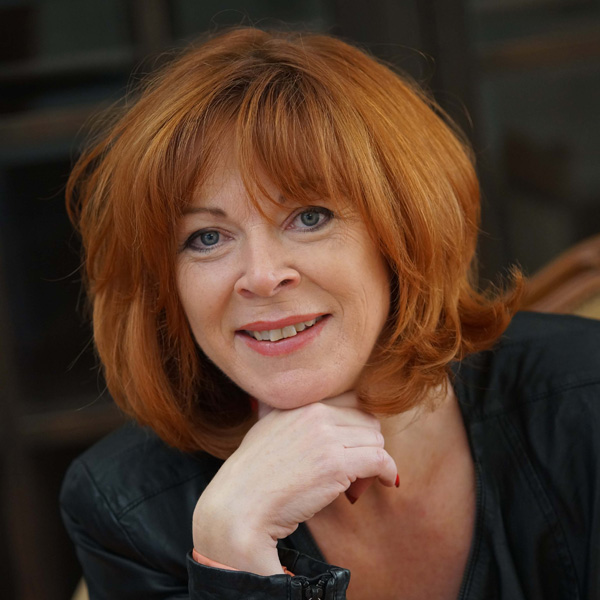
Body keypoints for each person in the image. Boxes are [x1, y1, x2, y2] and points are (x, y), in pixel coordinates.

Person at [60, 27, 600, 600]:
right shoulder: (126, 507)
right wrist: (231, 558)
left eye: (309, 217)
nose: (262, 275)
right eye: (207, 237)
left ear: (403, 232)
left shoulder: (585, 396)